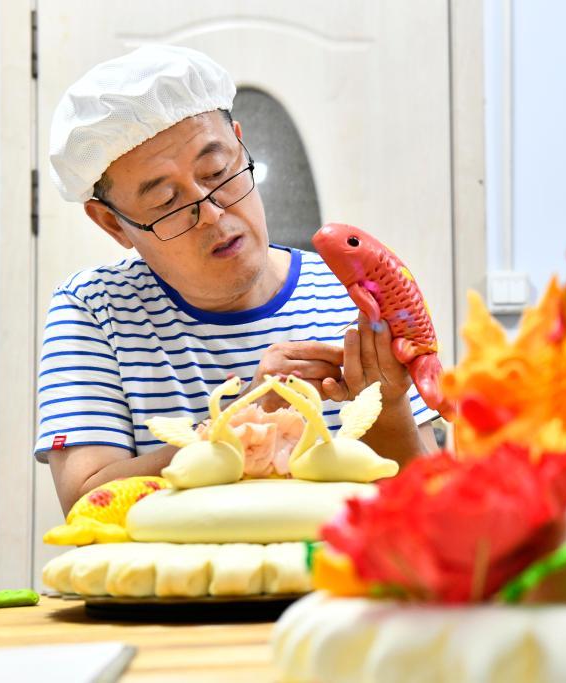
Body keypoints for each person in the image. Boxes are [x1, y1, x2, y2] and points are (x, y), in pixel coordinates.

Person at [37, 45, 438, 514]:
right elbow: (86, 504)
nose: (212, 212)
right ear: (112, 223)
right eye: (166, 201)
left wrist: (387, 406)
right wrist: (240, 419)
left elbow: (430, 508)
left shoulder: (351, 297)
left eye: (218, 172)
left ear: (241, 146)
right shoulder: (94, 309)